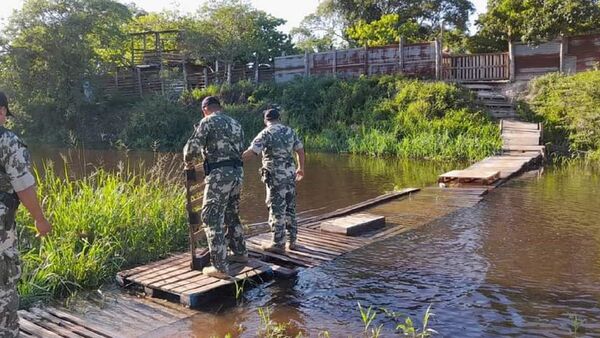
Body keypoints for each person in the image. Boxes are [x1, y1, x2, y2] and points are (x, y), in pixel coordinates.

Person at [0, 91, 52, 337]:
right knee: (4, 281)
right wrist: (40, 219)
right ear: (2, 112)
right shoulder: (8, 142)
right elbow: (23, 186)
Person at [183, 96, 247, 280]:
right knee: (231, 213)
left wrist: (188, 162)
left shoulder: (207, 121)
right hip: (238, 173)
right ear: (220, 107)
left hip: (220, 175)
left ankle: (219, 267)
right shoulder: (235, 123)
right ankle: (240, 252)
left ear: (205, 109)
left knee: (210, 216)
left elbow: (191, 150)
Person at [242, 108, 305, 253]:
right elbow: (300, 150)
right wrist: (301, 168)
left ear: (266, 120)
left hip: (276, 177)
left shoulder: (266, 133)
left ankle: (278, 244)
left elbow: (252, 152)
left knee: (276, 208)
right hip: (290, 175)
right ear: (279, 118)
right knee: (290, 208)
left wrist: (234, 159)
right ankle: (292, 241)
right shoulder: (290, 131)